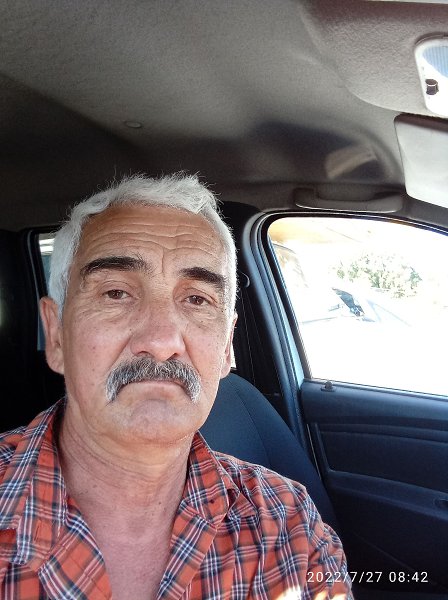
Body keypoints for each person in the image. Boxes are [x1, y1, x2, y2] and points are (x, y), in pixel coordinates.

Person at [0, 174, 353, 599]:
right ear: (56, 335)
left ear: (226, 347)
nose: (162, 341)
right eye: (116, 293)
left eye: (197, 299)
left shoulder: (291, 527)